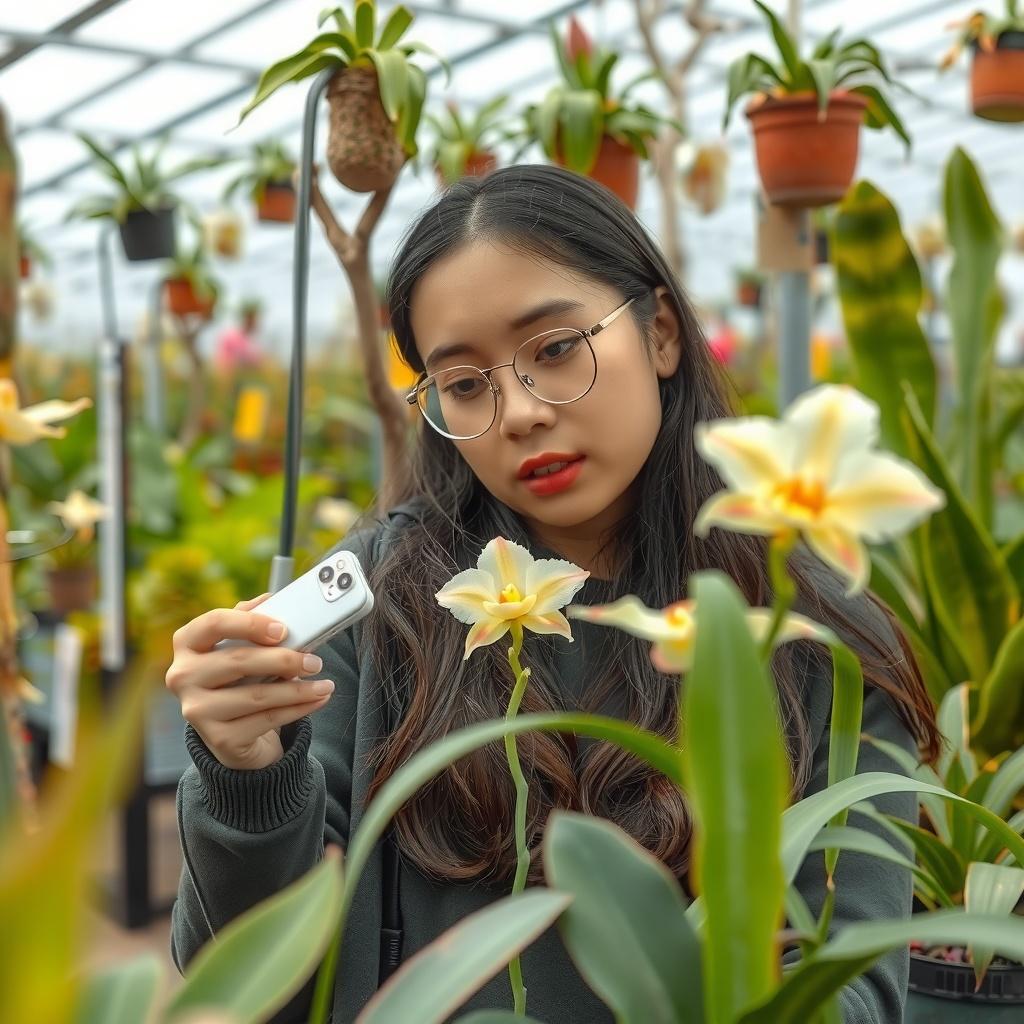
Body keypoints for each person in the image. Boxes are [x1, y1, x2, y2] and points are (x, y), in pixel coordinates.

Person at [168, 165, 941, 1023]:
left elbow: (860, 990)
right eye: (465, 384)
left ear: (660, 334)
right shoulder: (387, 616)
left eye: (557, 349)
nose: (520, 412)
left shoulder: (811, 635)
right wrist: (247, 776)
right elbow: (244, 981)